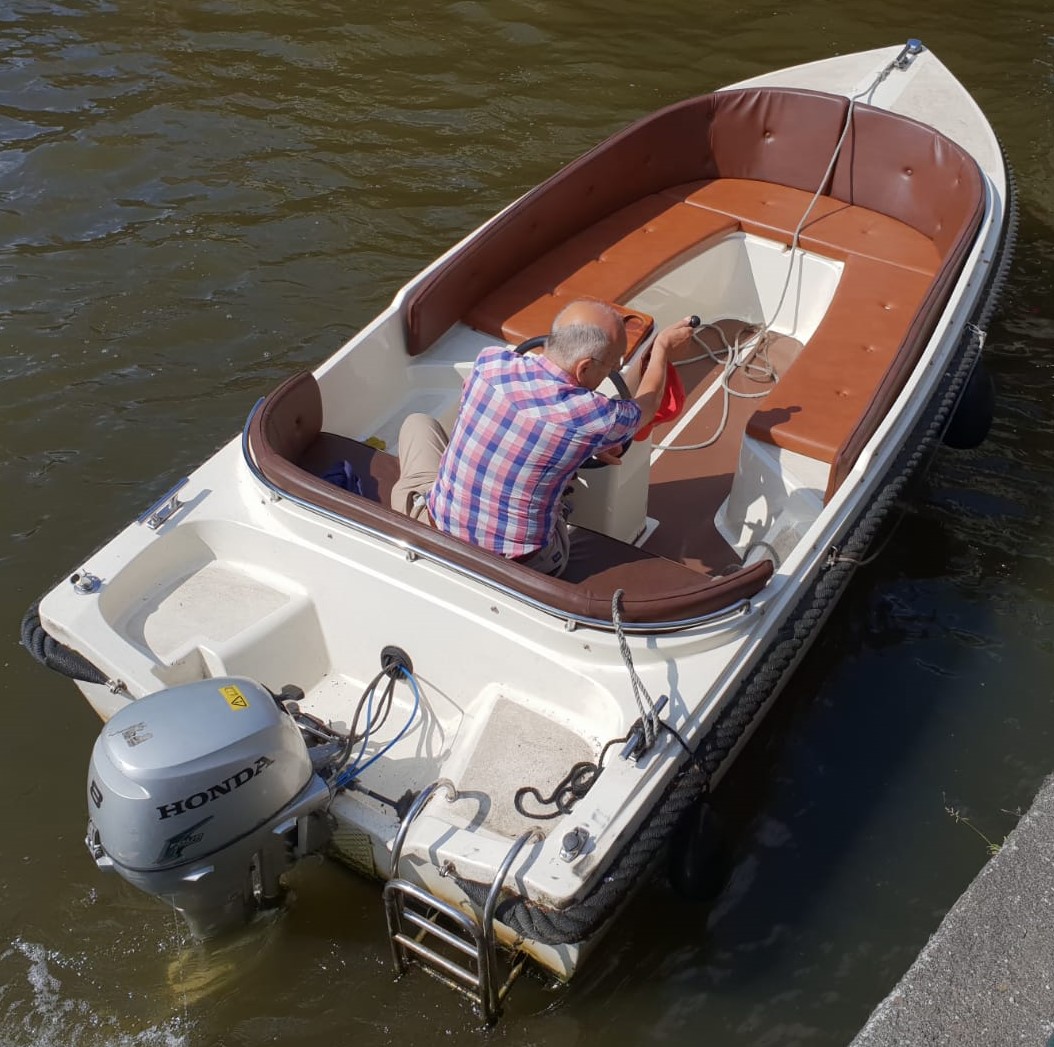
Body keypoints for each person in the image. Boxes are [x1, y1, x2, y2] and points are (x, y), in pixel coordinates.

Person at [390, 299, 696, 576]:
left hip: (437, 531)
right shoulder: (593, 416)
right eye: (612, 365)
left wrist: (584, 443)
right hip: (522, 564)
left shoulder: (491, 363)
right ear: (585, 367)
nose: (613, 370)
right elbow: (648, 404)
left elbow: (517, 424)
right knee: (557, 495)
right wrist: (662, 349)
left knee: (417, 423)